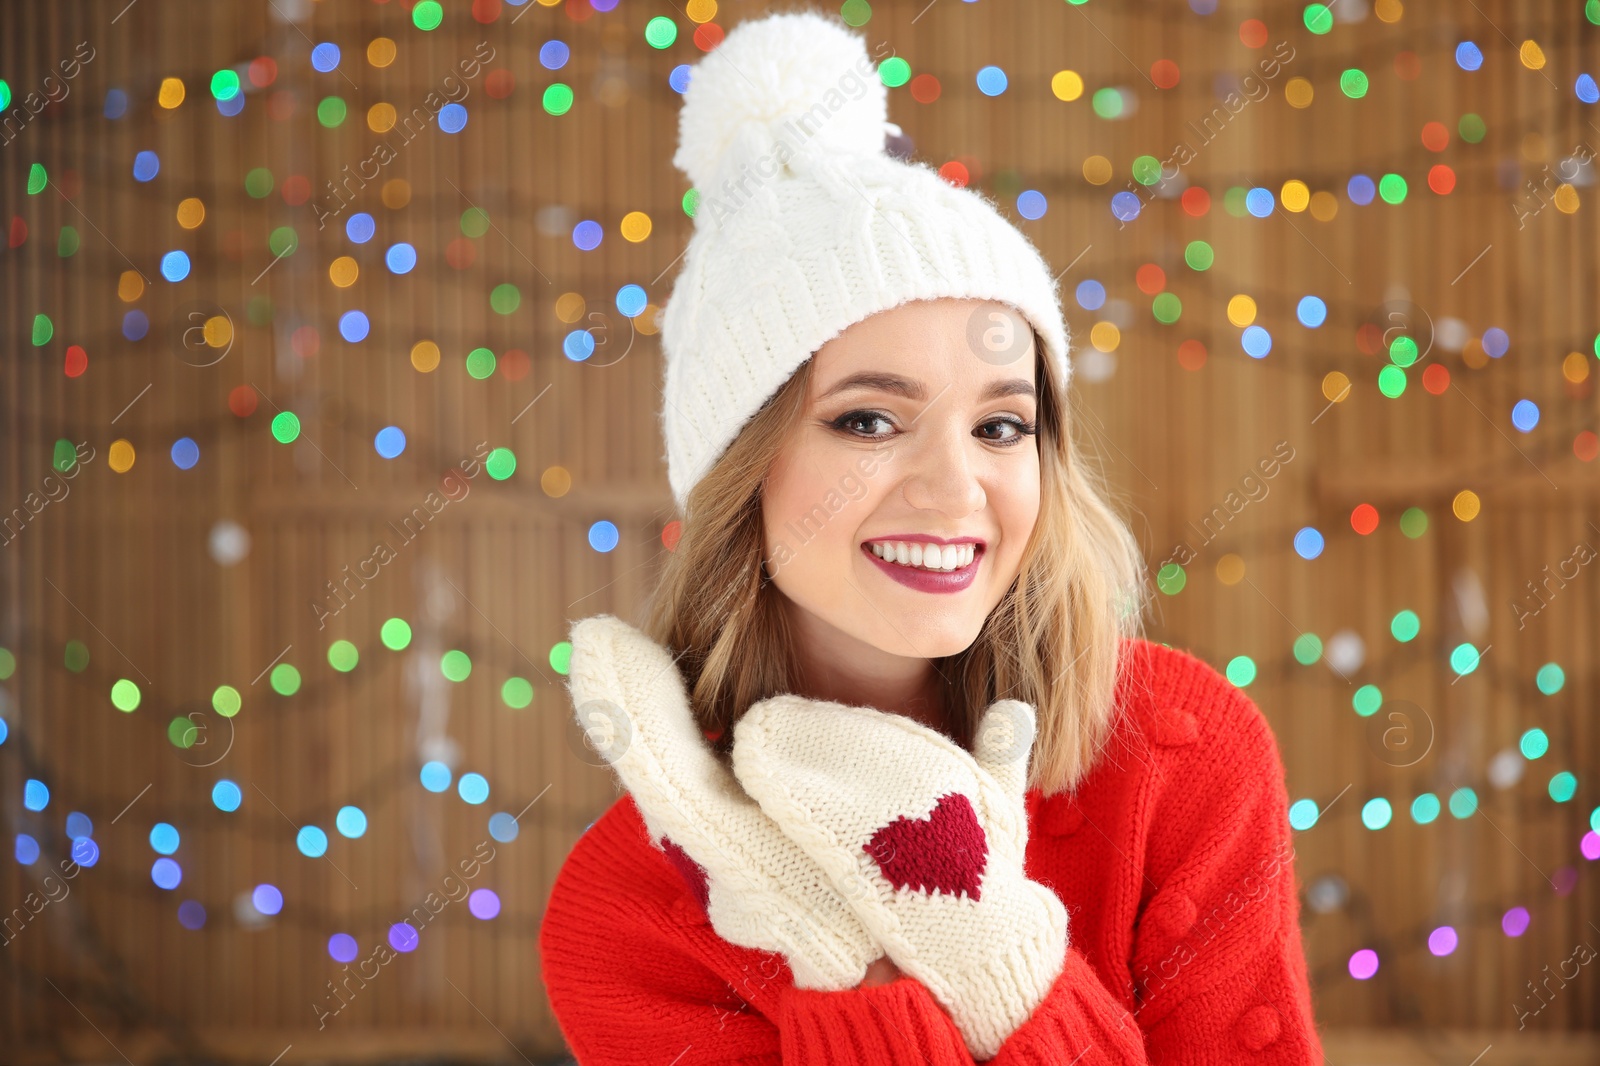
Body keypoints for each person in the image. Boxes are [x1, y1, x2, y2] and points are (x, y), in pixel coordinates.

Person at [540, 9, 1323, 1063]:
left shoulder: (1182, 759)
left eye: (1001, 425)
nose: (957, 489)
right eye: (868, 420)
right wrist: (834, 952)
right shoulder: (632, 908)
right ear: (741, 473)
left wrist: (989, 951)